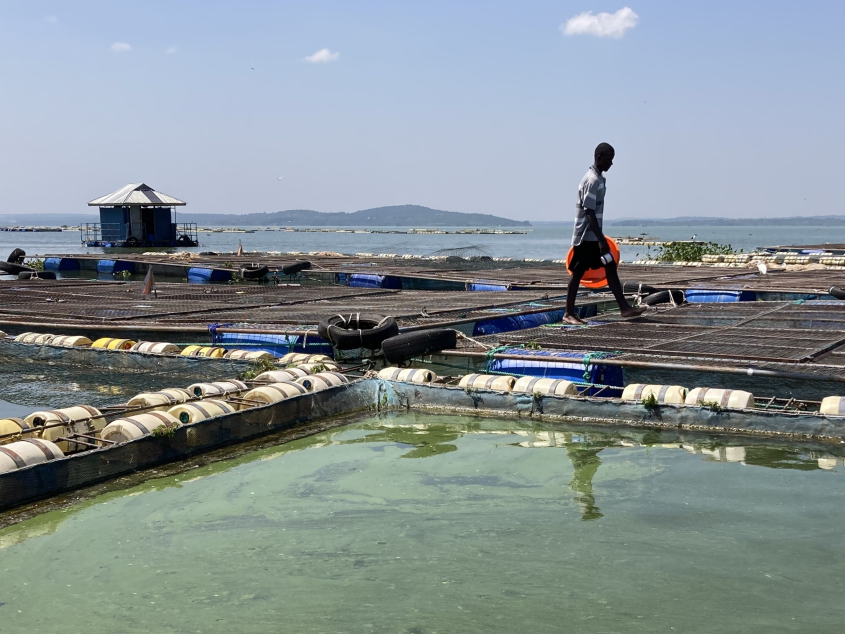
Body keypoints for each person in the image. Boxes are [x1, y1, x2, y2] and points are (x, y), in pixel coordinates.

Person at [563, 143, 646, 325]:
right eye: (609, 159)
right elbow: (589, 212)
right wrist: (601, 239)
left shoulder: (599, 179)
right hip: (586, 237)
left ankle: (624, 308)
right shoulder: (591, 180)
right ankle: (568, 313)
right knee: (577, 273)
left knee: (610, 265)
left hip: (595, 237)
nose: (611, 164)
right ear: (599, 158)